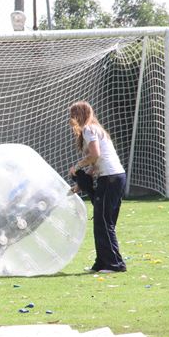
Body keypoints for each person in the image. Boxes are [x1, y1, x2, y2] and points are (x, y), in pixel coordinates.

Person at [67, 101, 127, 273]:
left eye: (73, 115)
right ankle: (101, 262)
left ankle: (115, 265)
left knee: (104, 223)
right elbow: (96, 163)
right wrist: (81, 183)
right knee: (103, 222)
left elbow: (95, 155)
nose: (71, 120)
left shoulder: (88, 129)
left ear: (79, 115)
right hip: (113, 178)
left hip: (110, 179)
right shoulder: (97, 129)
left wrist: (77, 167)